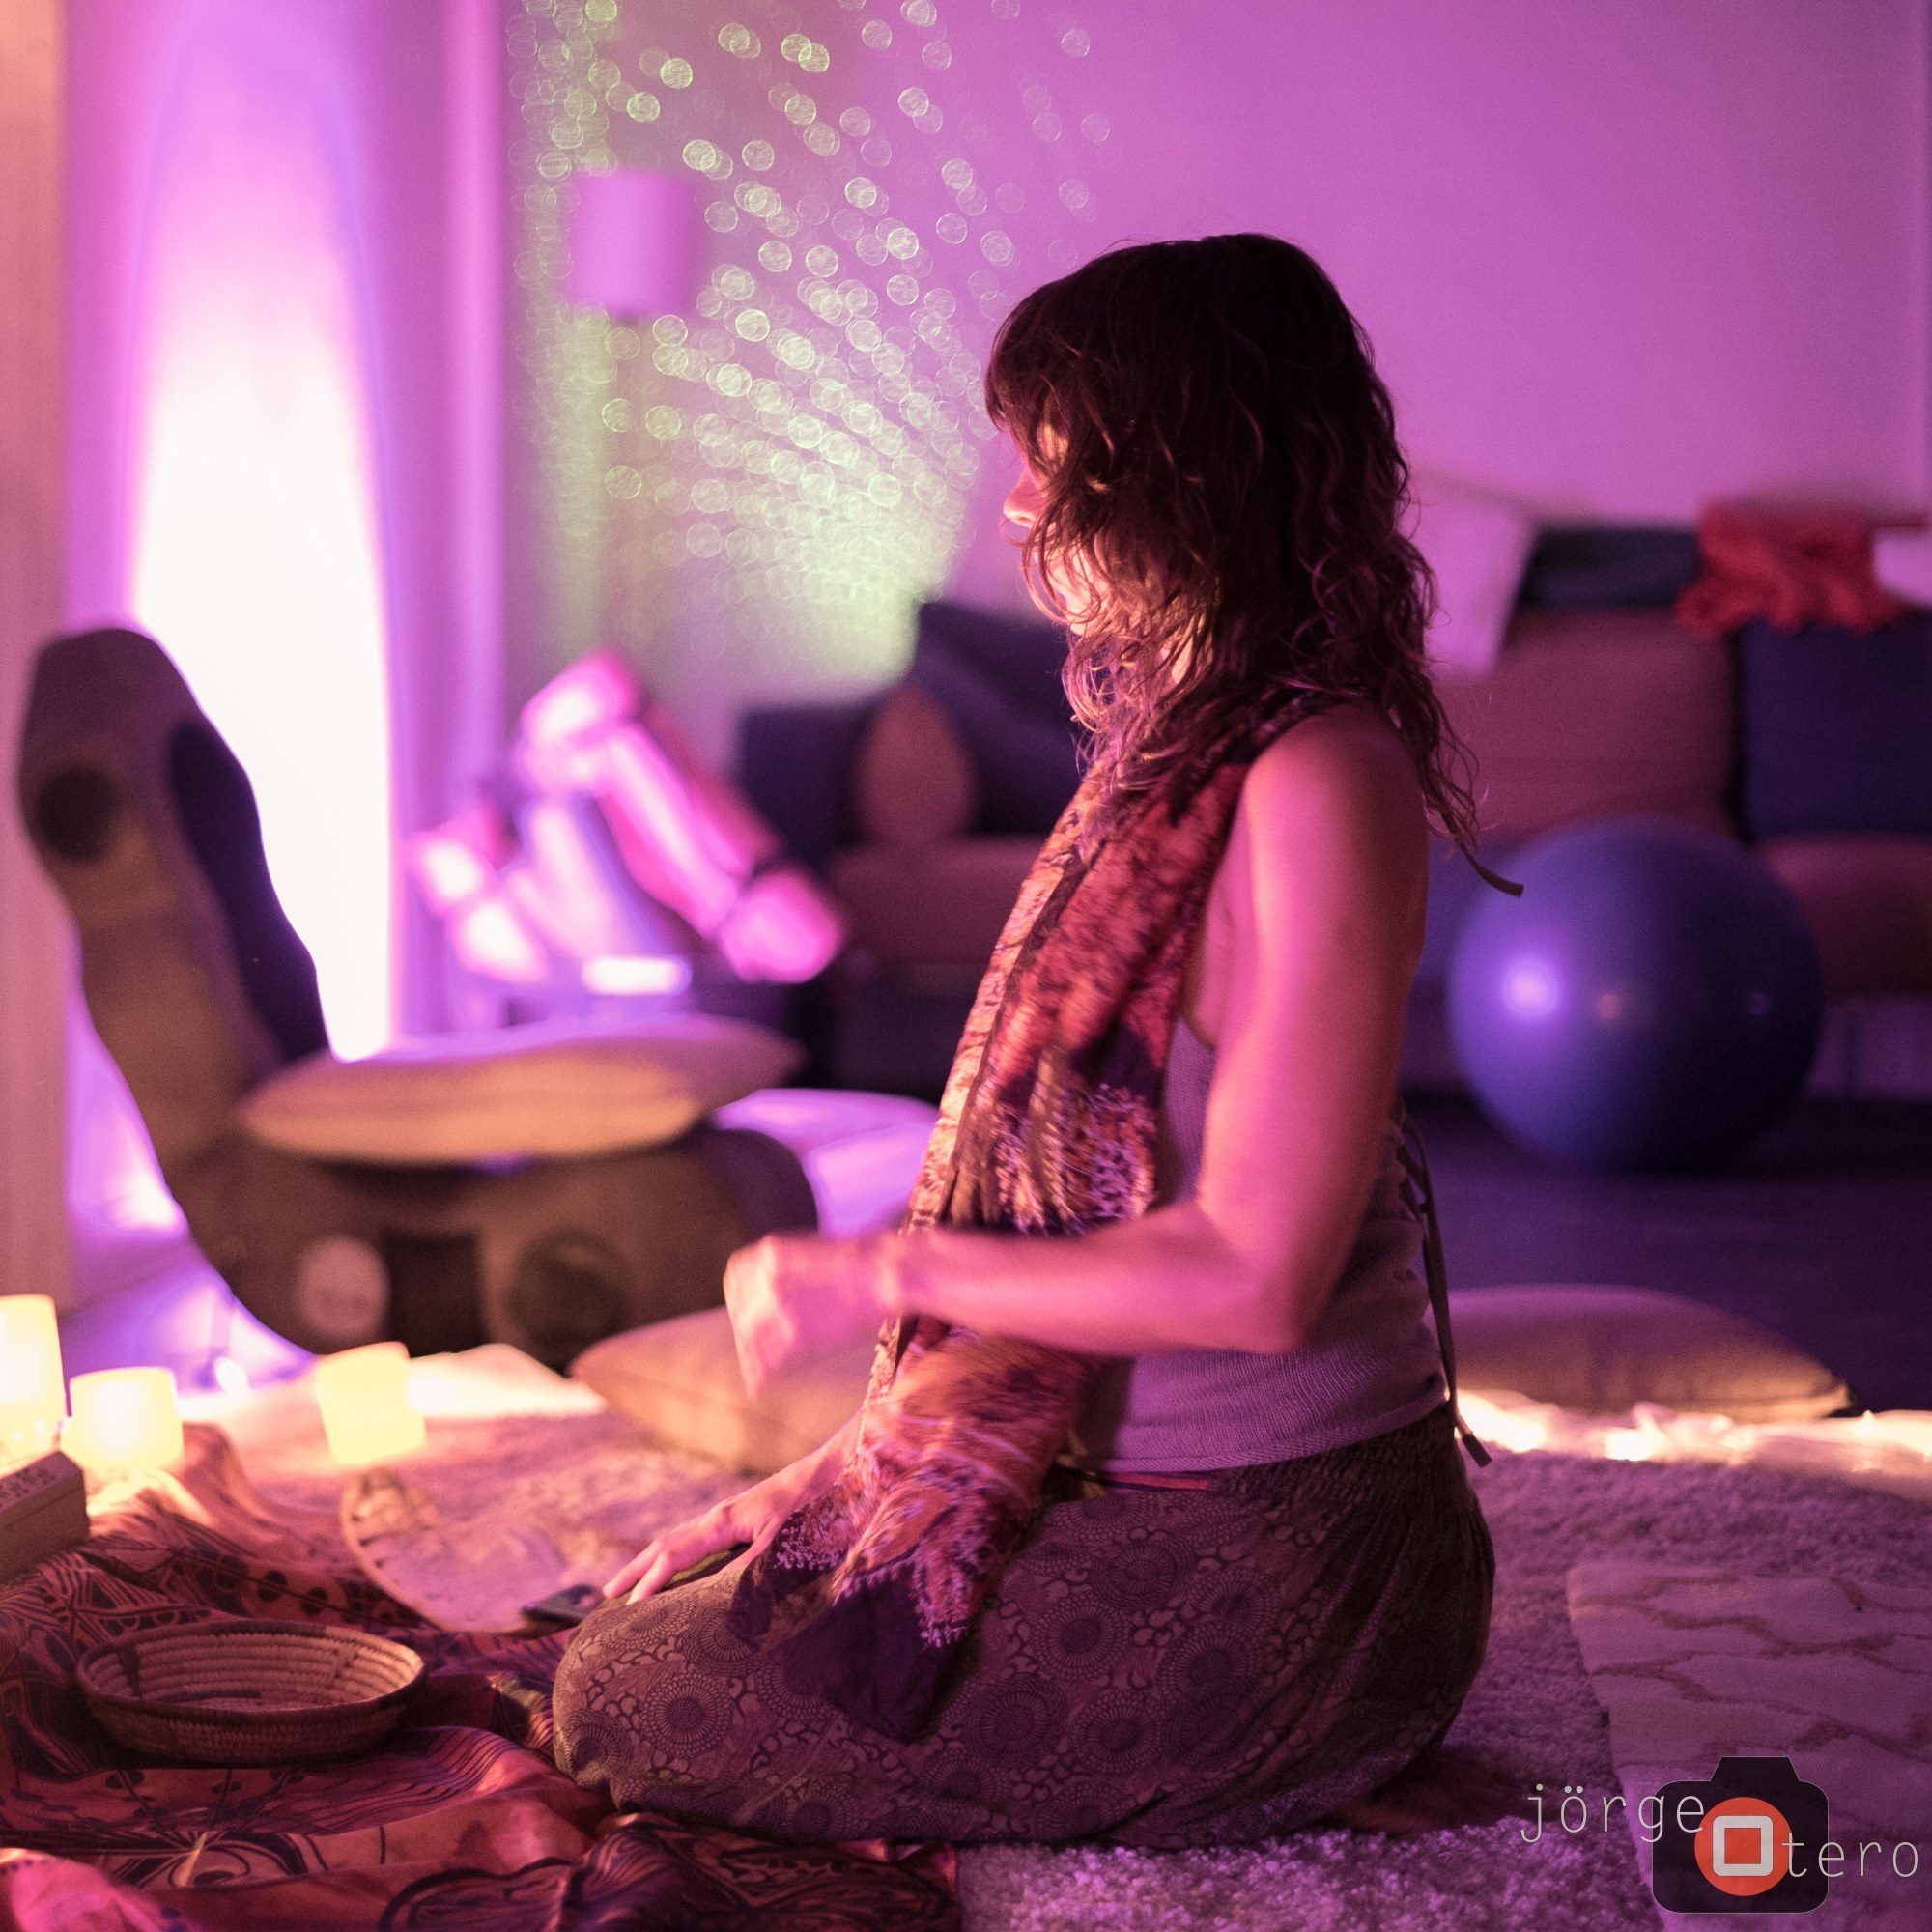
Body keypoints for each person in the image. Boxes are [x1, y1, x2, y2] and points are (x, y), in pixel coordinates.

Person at [554, 233, 1518, 1848]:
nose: (1018, 505)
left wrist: (884, 1273)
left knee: (617, 1701)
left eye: (1058, 462)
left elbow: (1254, 1275)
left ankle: (1310, 1738)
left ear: (1193, 472)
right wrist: (848, 1469)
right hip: (1127, 1486)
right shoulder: (1170, 754)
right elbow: (1076, 1222)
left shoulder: (1314, 779)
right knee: (649, 1624)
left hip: (1284, 1554)